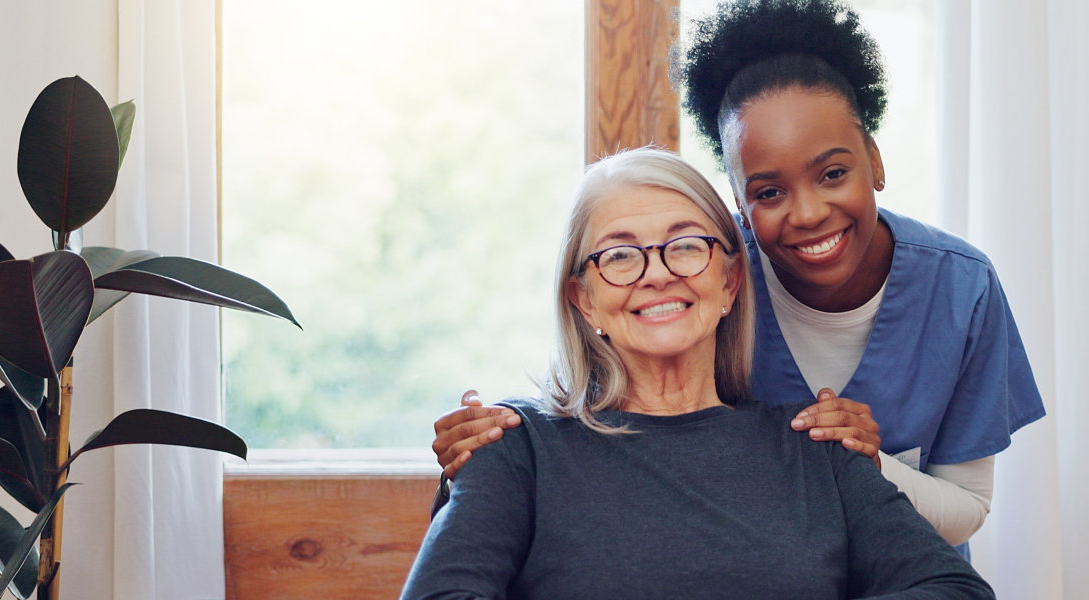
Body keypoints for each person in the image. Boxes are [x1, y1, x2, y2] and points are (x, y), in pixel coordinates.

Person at [430, 0, 1044, 548]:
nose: (808, 213)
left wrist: (867, 463)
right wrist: (499, 441)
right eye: (769, 191)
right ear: (737, 204)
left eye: (833, 173)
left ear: (875, 160)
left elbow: (967, 508)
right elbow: (610, 407)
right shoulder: (700, 275)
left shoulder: (963, 289)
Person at [399, 148, 992, 600]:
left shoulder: (816, 447)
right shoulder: (515, 447)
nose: (657, 274)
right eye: (620, 255)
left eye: (685, 245)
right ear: (583, 299)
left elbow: (953, 590)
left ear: (730, 282)